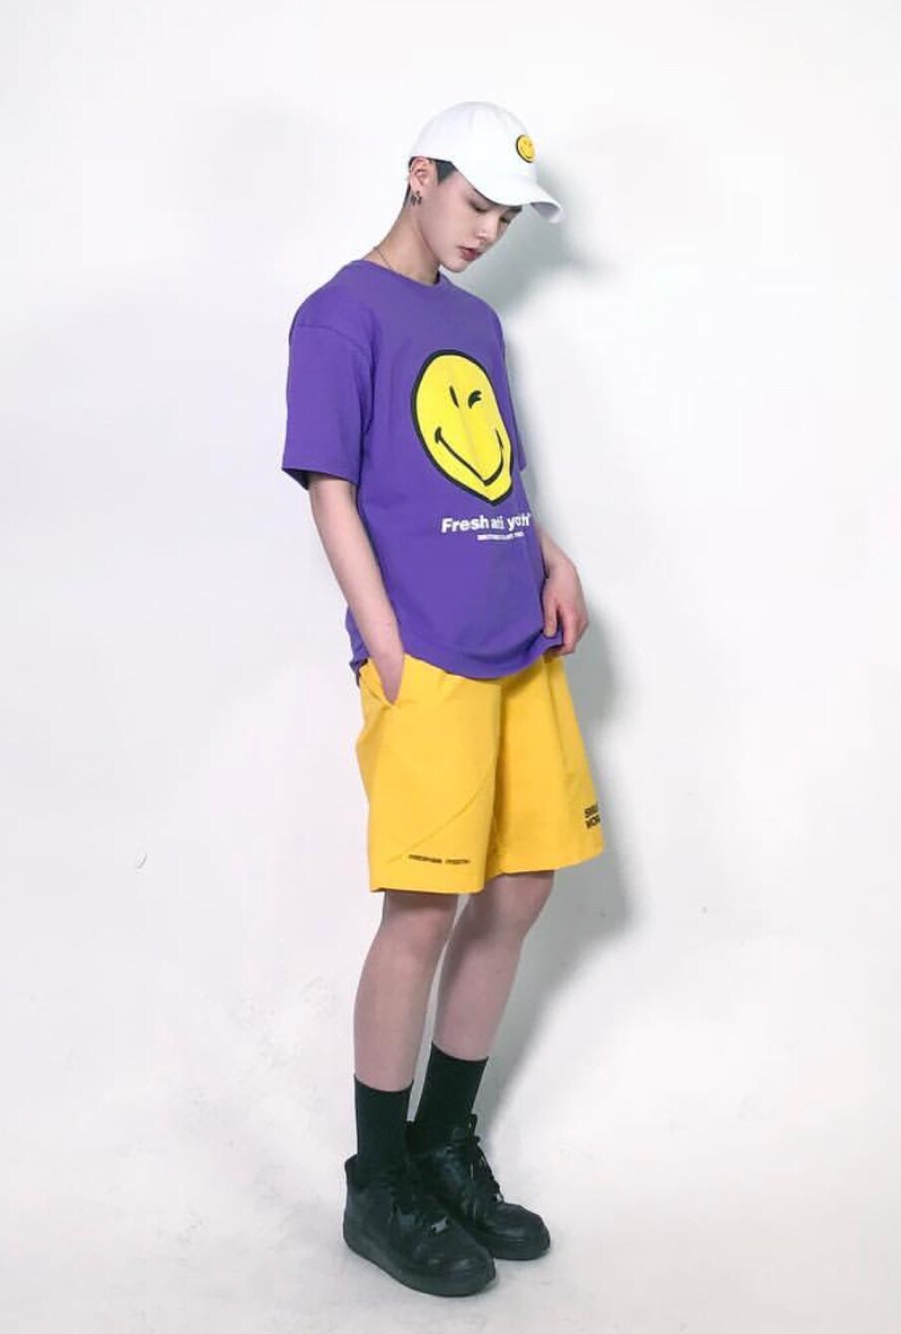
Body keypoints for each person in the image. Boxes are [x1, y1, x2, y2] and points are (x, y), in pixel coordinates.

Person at [280, 100, 605, 1297]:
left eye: (507, 219)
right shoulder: (339, 313)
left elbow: (491, 469)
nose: (487, 232)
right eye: (476, 204)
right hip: (428, 654)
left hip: (519, 637)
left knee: (519, 887)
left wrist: (552, 555)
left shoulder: (473, 323)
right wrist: (384, 642)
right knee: (422, 906)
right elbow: (330, 484)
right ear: (420, 174)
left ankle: (441, 1145)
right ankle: (378, 1182)